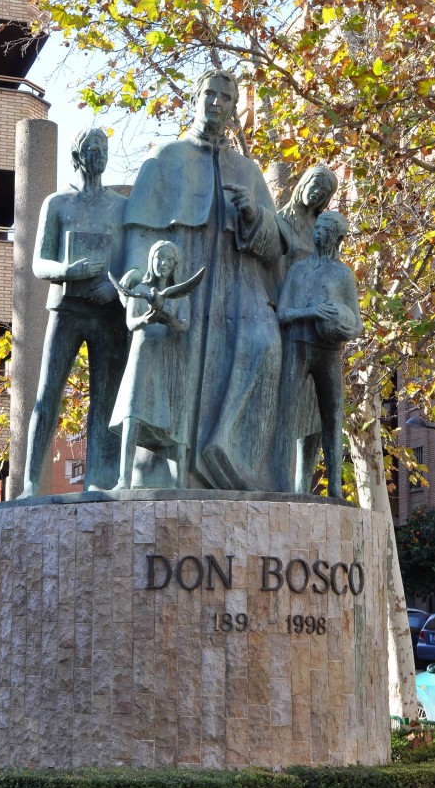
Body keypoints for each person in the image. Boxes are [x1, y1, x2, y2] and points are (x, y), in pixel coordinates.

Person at [122, 69, 284, 490]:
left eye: (225, 98)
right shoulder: (168, 159)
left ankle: (231, 455)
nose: (215, 103)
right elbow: (140, 233)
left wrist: (254, 215)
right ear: (194, 99)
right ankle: (171, 471)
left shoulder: (247, 170)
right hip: (179, 282)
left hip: (236, 286)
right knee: (179, 360)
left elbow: (274, 249)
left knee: (265, 344)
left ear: (233, 110)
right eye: (209, 94)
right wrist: (141, 285)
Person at [19, 128, 128, 497]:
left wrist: (113, 288)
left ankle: (101, 479)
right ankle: (31, 484)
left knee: (107, 400)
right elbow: (38, 263)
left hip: (108, 312)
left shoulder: (121, 206)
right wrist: (67, 272)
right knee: (47, 393)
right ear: (78, 156)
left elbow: (132, 262)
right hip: (67, 308)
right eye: (92, 150)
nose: (99, 155)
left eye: (104, 149)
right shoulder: (57, 203)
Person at [275, 211, 363, 499]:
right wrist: (311, 312)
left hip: (329, 351)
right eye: (319, 226)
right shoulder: (299, 271)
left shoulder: (343, 274)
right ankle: (282, 483)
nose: (319, 232)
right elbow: (283, 313)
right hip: (298, 346)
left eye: (326, 229)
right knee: (286, 415)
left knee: (333, 416)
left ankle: (335, 487)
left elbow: (358, 325)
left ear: (338, 237)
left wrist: (343, 325)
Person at [109, 240, 203, 489]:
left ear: (175, 266)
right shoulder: (140, 290)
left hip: (169, 356)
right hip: (143, 354)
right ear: (152, 260)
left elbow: (184, 324)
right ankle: (123, 480)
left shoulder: (180, 294)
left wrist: (170, 319)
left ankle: (180, 483)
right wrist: (146, 319)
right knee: (132, 412)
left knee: (176, 418)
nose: (164, 264)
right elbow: (130, 323)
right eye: (160, 258)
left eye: (170, 261)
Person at [274, 164, 339, 491]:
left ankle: (302, 485)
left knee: (315, 410)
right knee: (286, 407)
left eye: (324, 193)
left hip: (318, 330)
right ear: (303, 182)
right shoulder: (280, 220)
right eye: (315, 185)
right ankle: (280, 482)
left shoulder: (321, 228)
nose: (316, 193)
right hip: (287, 317)